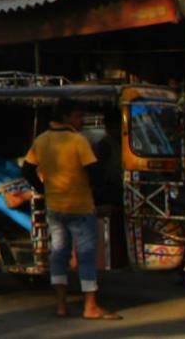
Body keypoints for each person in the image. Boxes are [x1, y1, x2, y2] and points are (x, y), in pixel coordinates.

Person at [23, 99, 120, 320]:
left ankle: (61, 305)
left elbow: (27, 170)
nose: (81, 121)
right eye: (78, 116)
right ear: (66, 117)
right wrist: (93, 188)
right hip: (80, 207)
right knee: (86, 256)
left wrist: (43, 188)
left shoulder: (41, 140)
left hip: (55, 208)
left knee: (58, 255)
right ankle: (90, 307)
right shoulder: (78, 141)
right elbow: (95, 173)